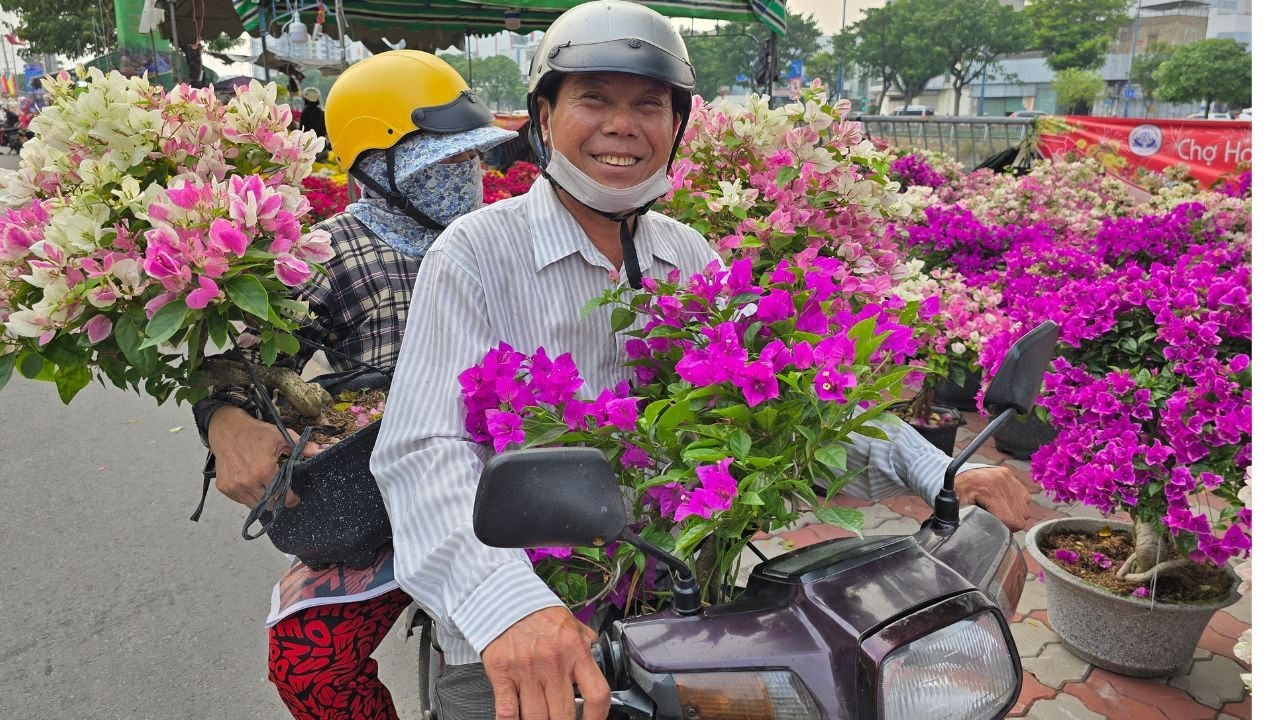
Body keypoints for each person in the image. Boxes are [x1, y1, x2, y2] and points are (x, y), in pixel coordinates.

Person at [370, 3, 1032, 719]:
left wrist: (941, 472)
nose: (622, 126)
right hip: (527, 642)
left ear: (677, 125)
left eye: (649, 105)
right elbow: (423, 451)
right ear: (543, 116)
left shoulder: (686, 255)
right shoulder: (472, 253)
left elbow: (794, 405)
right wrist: (506, 606)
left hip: (681, 613)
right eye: (594, 98)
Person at [192, 50, 515, 720]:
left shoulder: (503, 235)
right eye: (440, 164)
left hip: (512, 480)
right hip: (384, 505)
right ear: (373, 169)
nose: (466, 178)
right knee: (308, 665)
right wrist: (227, 421)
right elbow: (239, 362)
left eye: (471, 160)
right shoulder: (328, 251)